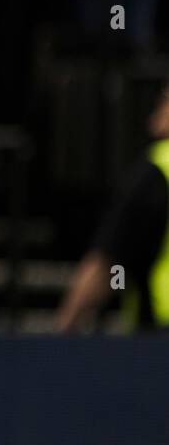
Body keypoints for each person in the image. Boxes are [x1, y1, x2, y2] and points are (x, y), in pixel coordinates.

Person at [56, 82, 169, 333]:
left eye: (164, 101)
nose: (157, 111)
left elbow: (104, 263)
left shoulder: (156, 171)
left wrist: (65, 325)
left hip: (159, 342)